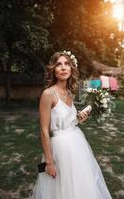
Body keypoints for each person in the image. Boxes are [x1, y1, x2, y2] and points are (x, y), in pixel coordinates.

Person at [31, 51, 112, 199]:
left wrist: (78, 119)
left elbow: (67, 120)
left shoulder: (69, 93)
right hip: (60, 149)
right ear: (53, 70)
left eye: (67, 64)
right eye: (58, 64)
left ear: (71, 68)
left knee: (80, 187)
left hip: (77, 145)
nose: (63, 68)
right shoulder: (48, 94)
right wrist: (49, 162)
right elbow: (43, 130)